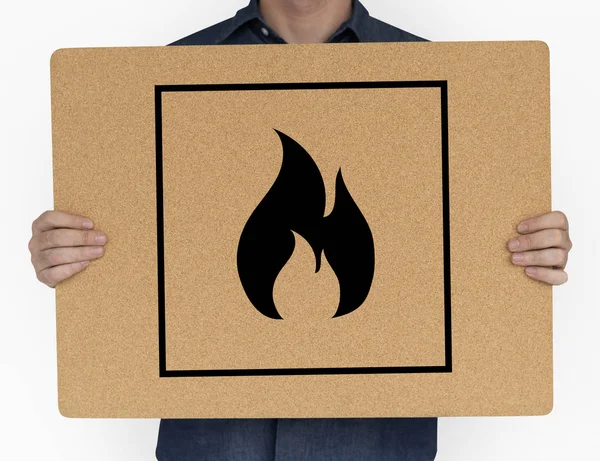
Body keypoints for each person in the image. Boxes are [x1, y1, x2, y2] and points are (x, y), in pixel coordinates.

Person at [28, 0, 573, 460]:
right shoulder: (156, 83)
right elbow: (128, 253)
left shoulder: (455, 84)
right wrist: (71, 256)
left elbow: (469, 255)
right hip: (208, 443)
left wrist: (524, 253)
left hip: (379, 444)